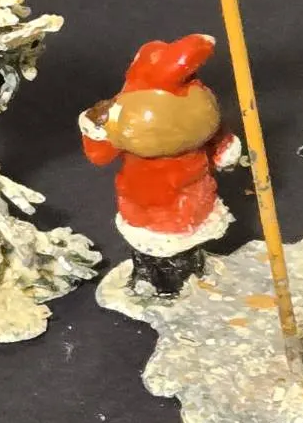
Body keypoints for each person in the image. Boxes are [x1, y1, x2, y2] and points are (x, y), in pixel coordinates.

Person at [80, 33, 241, 296]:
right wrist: (95, 128)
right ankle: (153, 283)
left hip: (190, 201)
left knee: (184, 254)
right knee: (150, 253)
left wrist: (224, 149)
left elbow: (218, 144)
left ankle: (183, 282)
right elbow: (99, 154)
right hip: (144, 205)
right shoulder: (123, 118)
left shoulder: (195, 111)